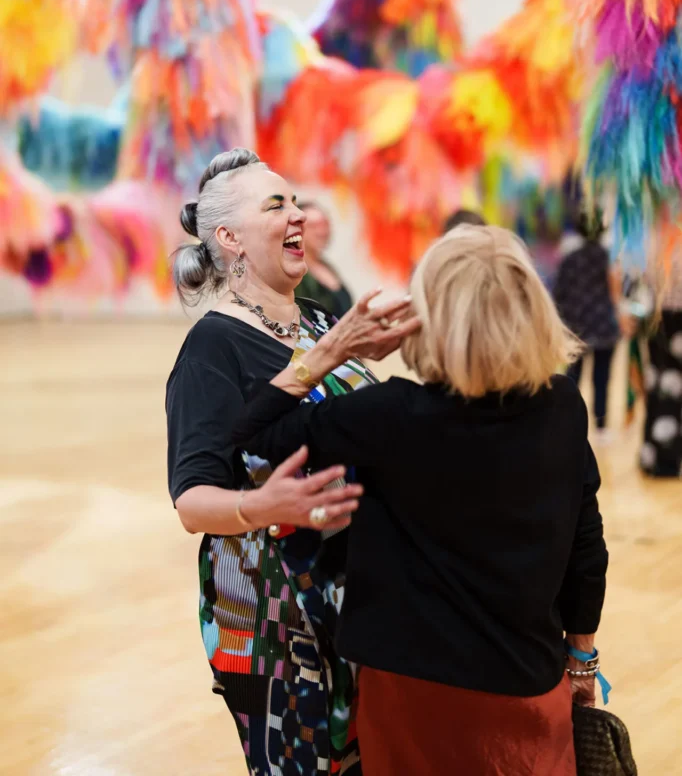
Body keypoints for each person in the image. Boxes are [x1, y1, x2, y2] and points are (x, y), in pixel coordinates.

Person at [233, 225, 609, 776]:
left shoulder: (391, 414)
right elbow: (586, 543)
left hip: (411, 691)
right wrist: (581, 657)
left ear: (430, 317)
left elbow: (253, 432)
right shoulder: (563, 406)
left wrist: (334, 348)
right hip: (526, 677)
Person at [166, 148, 416, 775]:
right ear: (230, 238)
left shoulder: (316, 321)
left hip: (356, 596)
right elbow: (193, 502)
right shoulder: (212, 346)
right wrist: (260, 504)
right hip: (273, 615)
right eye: (277, 205)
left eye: (296, 202)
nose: (298, 215)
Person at [553, 210, 622, 437]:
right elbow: (618, 293)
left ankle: (568, 425)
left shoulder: (570, 259)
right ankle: (601, 426)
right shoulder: (608, 259)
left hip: (577, 329)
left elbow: (559, 293)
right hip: (605, 327)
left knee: (572, 379)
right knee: (602, 379)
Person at [641, 245, 682, 477]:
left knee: (659, 389)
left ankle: (655, 457)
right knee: (668, 391)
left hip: (657, 320)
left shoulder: (658, 241)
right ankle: (667, 461)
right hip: (671, 322)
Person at [295, 200, 353, 317]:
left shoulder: (327, 266)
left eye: (325, 224)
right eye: (313, 226)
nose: (322, 231)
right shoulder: (295, 273)